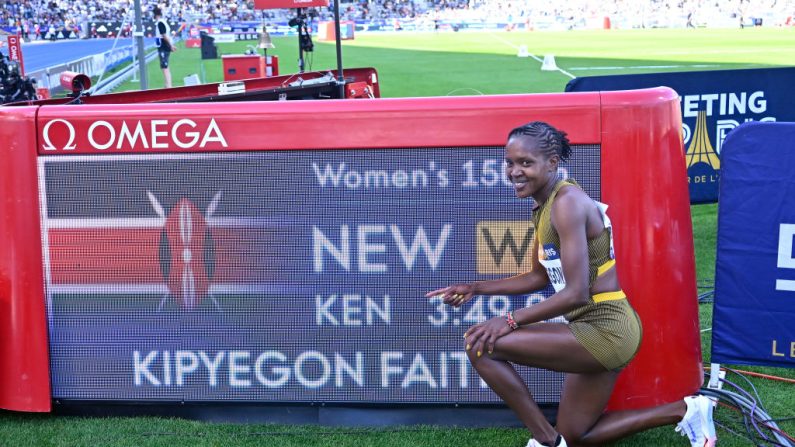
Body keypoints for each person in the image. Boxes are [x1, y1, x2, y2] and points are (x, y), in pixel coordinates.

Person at [426, 121, 717, 447]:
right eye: (509, 163)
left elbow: (576, 293)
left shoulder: (566, 204)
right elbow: (539, 277)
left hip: (606, 328)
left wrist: (509, 321)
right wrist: (476, 288)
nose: (514, 172)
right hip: (593, 327)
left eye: (526, 163)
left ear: (552, 163)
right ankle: (688, 409)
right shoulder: (544, 205)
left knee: (480, 345)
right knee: (577, 434)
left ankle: (546, 442)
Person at [153, 6, 176, 88]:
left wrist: (171, 45)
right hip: (164, 46)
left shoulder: (160, 23)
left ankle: (169, 86)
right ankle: (167, 85)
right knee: (165, 66)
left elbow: (164, 35)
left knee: (164, 66)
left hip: (163, 47)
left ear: (155, 15)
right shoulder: (163, 22)